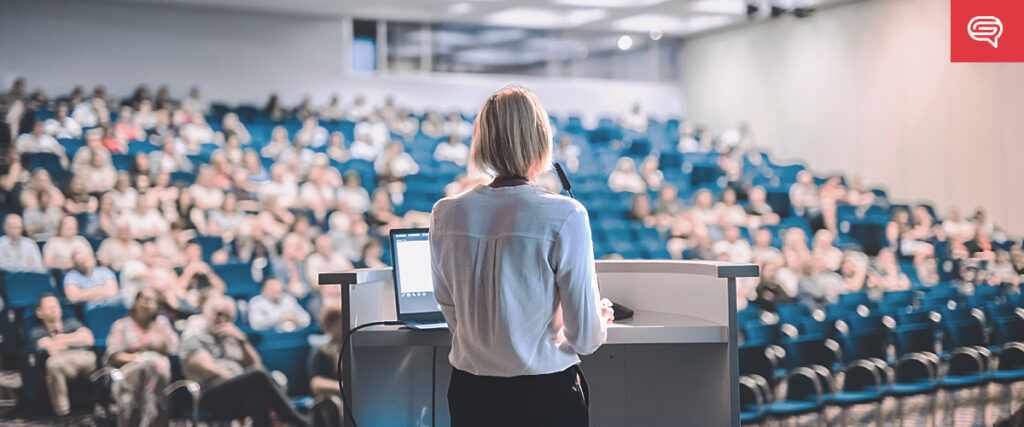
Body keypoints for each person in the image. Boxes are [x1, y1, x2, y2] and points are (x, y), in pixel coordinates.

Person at [430, 87, 613, 426]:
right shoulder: (565, 214)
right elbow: (585, 340)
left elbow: (452, 310)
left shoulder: (445, 213)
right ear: (540, 139)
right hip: (544, 395)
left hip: (471, 393)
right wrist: (601, 318)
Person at [179, 295, 309, 427]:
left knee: (259, 394)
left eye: (227, 317)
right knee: (256, 377)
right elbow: (208, 370)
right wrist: (243, 380)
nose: (222, 320)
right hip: (209, 395)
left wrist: (242, 340)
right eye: (218, 314)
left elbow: (256, 364)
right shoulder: (194, 338)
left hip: (236, 394)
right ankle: (295, 419)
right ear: (206, 314)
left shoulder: (230, 338)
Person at [104, 288, 179, 426]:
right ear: (136, 302)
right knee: (151, 362)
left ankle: (152, 414)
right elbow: (115, 355)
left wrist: (160, 334)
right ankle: (148, 416)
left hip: (159, 375)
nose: (149, 305)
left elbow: (173, 348)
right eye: (145, 300)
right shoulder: (121, 325)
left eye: (153, 301)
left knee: (155, 364)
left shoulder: (162, 324)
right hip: (130, 370)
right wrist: (141, 360)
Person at [31, 293, 96, 417]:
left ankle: (104, 407)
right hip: (63, 363)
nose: (54, 308)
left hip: (85, 358)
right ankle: (63, 414)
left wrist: (61, 339)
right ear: (39, 313)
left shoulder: (72, 322)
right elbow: (52, 349)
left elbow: (88, 339)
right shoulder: (37, 331)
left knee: (103, 361)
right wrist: (75, 338)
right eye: (49, 307)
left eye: (56, 305)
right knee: (53, 364)